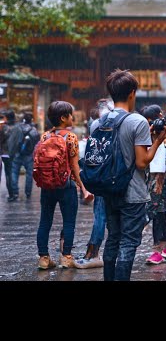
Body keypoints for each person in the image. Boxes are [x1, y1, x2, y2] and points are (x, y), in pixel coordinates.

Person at [92, 69, 166, 281]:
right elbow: (142, 162)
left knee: (113, 237)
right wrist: (158, 141)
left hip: (108, 189)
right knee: (128, 241)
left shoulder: (99, 122)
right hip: (132, 191)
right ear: (132, 93)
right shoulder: (138, 122)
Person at [36, 101, 93, 270]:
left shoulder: (45, 136)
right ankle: (66, 257)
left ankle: (44, 258)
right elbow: (75, 166)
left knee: (45, 221)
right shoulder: (71, 137)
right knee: (69, 222)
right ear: (63, 118)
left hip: (47, 185)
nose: (72, 118)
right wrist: (82, 187)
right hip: (66, 186)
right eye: (70, 115)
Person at [74, 98, 114, 269]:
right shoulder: (117, 122)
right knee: (107, 215)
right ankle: (102, 251)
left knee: (101, 215)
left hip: (100, 174)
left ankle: (94, 252)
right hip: (113, 174)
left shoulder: (95, 124)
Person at [141, 105, 166, 265]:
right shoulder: (145, 133)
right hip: (150, 180)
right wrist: (150, 132)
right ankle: (165, 247)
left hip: (161, 182)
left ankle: (157, 251)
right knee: (159, 214)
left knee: (157, 214)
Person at [8, 112, 38, 200]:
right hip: (29, 155)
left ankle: (15, 192)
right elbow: (37, 144)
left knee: (14, 173)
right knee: (29, 175)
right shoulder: (34, 130)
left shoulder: (17, 128)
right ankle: (28, 193)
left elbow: (12, 141)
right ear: (31, 120)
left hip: (18, 154)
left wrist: (11, 153)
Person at [1, 110, 19, 201]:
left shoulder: (5, 127)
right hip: (15, 153)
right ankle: (14, 192)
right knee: (13, 172)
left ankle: (11, 193)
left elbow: (1, 140)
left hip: (5, 154)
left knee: (8, 173)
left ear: (7, 118)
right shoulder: (17, 127)